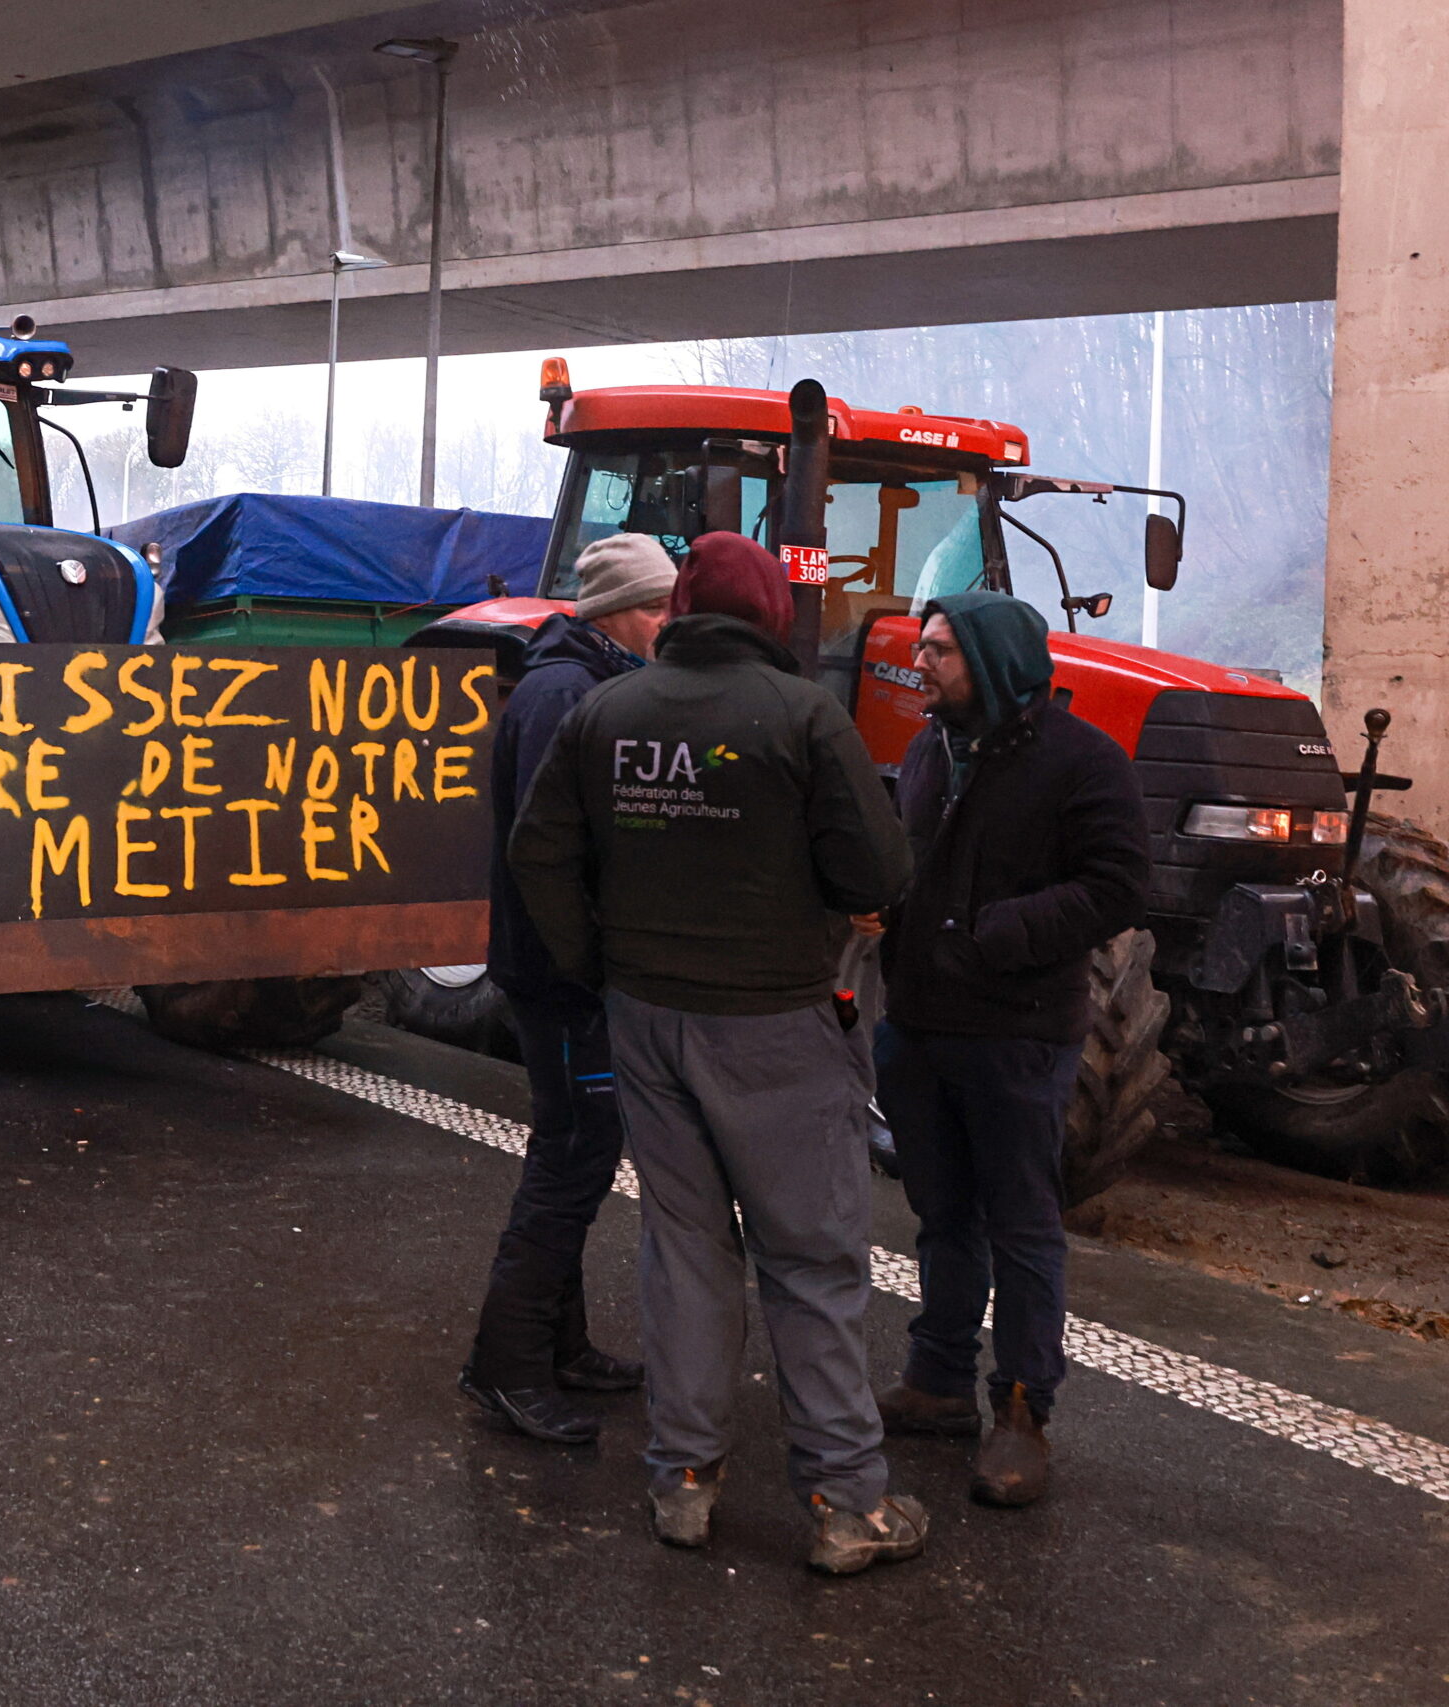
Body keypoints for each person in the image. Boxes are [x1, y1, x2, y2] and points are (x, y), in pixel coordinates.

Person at [508, 533, 924, 1576]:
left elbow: (537, 849)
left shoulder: (608, 712)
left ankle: (683, 1482)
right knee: (810, 1261)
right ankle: (842, 1504)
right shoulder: (801, 716)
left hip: (647, 1021)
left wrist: (597, 958)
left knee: (683, 1253)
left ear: (683, 606)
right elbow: (878, 867)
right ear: (770, 614)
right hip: (776, 1025)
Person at [872, 591, 1148, 1507]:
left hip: (1018, 1033)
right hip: (918, 1025)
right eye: (923, 646)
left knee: (1023, 1226)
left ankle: (1023, 1413)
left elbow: (1115, 887)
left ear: (991, 660)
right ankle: (939, 1378)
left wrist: (998, 931)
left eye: (941, 651)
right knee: (942, 1214)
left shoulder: (1084, 764)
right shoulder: (926, 750)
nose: (921, 663)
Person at [458, 532, 678, 1444]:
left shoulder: (584, 682)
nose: (671, 622)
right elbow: (558, 847)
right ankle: (503, 1367)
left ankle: (562, 1343)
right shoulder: (562, 693)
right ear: (613, 611)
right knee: (570, 1162)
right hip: (559, 978)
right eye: (659, 606)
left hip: (567, 970)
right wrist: (591, 959)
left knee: (577, 1155)